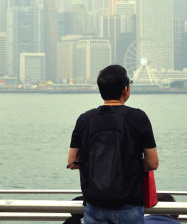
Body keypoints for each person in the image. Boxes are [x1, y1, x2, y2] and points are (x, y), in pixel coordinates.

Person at [68, 64, 159, 224]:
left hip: (94, 204)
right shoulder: (138, 117)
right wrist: (131, 165)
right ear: (125, 90)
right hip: (128, 204)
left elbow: (72, 163)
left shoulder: (85, 119)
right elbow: (152, 163)